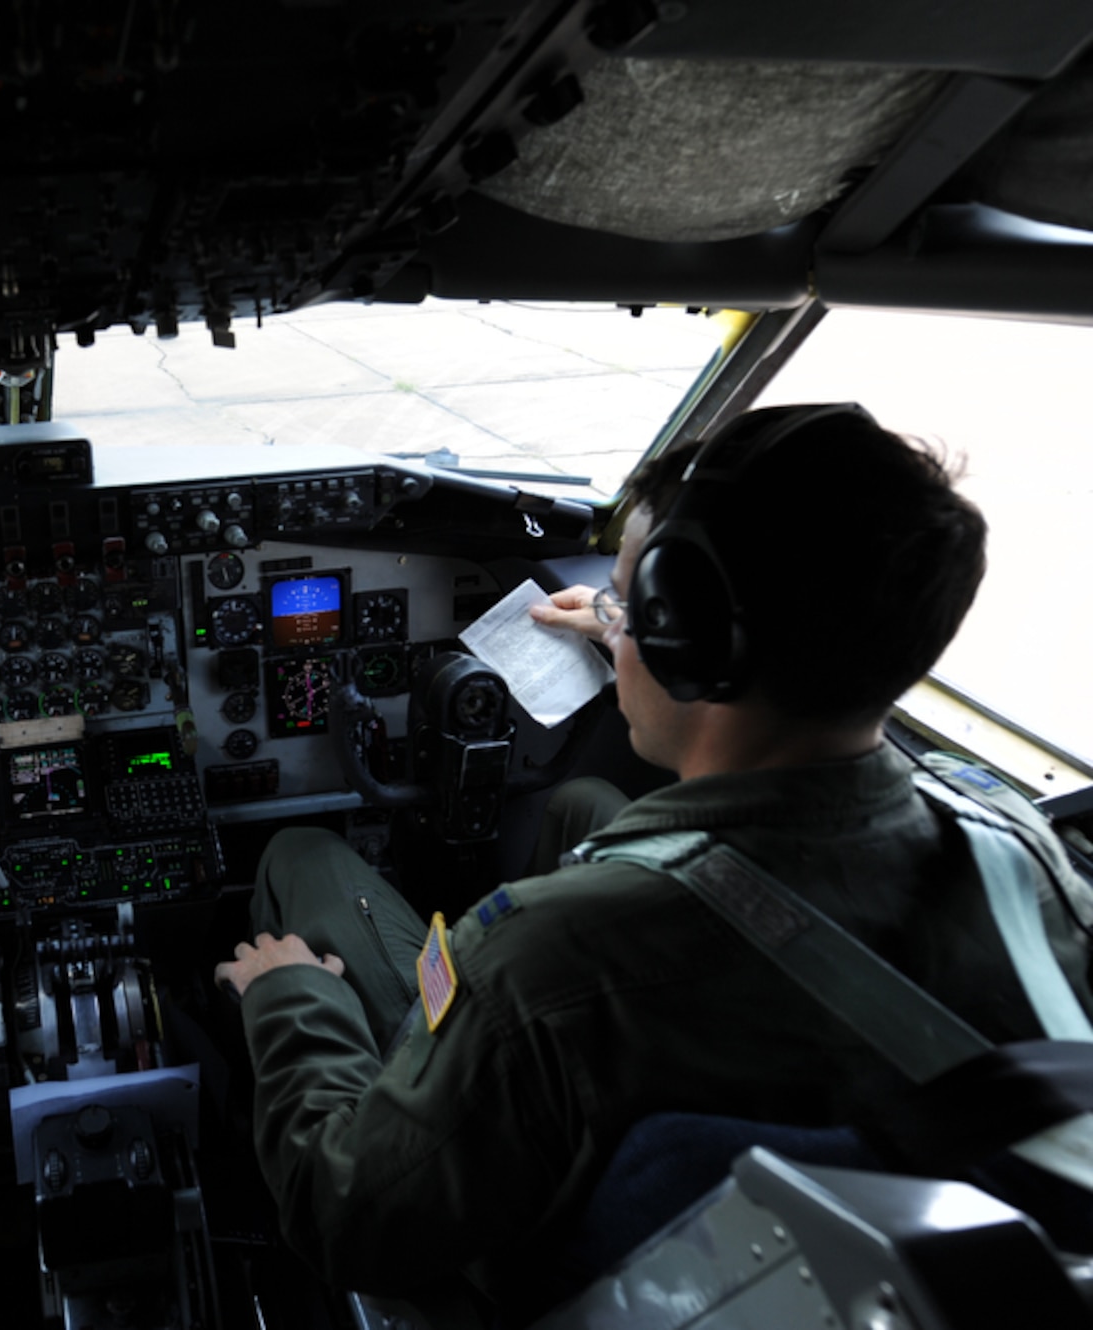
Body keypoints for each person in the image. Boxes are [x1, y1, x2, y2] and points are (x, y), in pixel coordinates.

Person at [215, 404, 1093, 1323]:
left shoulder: (548, 958)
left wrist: (291, 1004)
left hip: (538, 1276)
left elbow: (345, 1219)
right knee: (582, 809)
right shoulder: (1020, 849)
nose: (612, 616)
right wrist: (622, 635)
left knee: (302, 855)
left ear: (692, 642)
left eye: (627, 602)